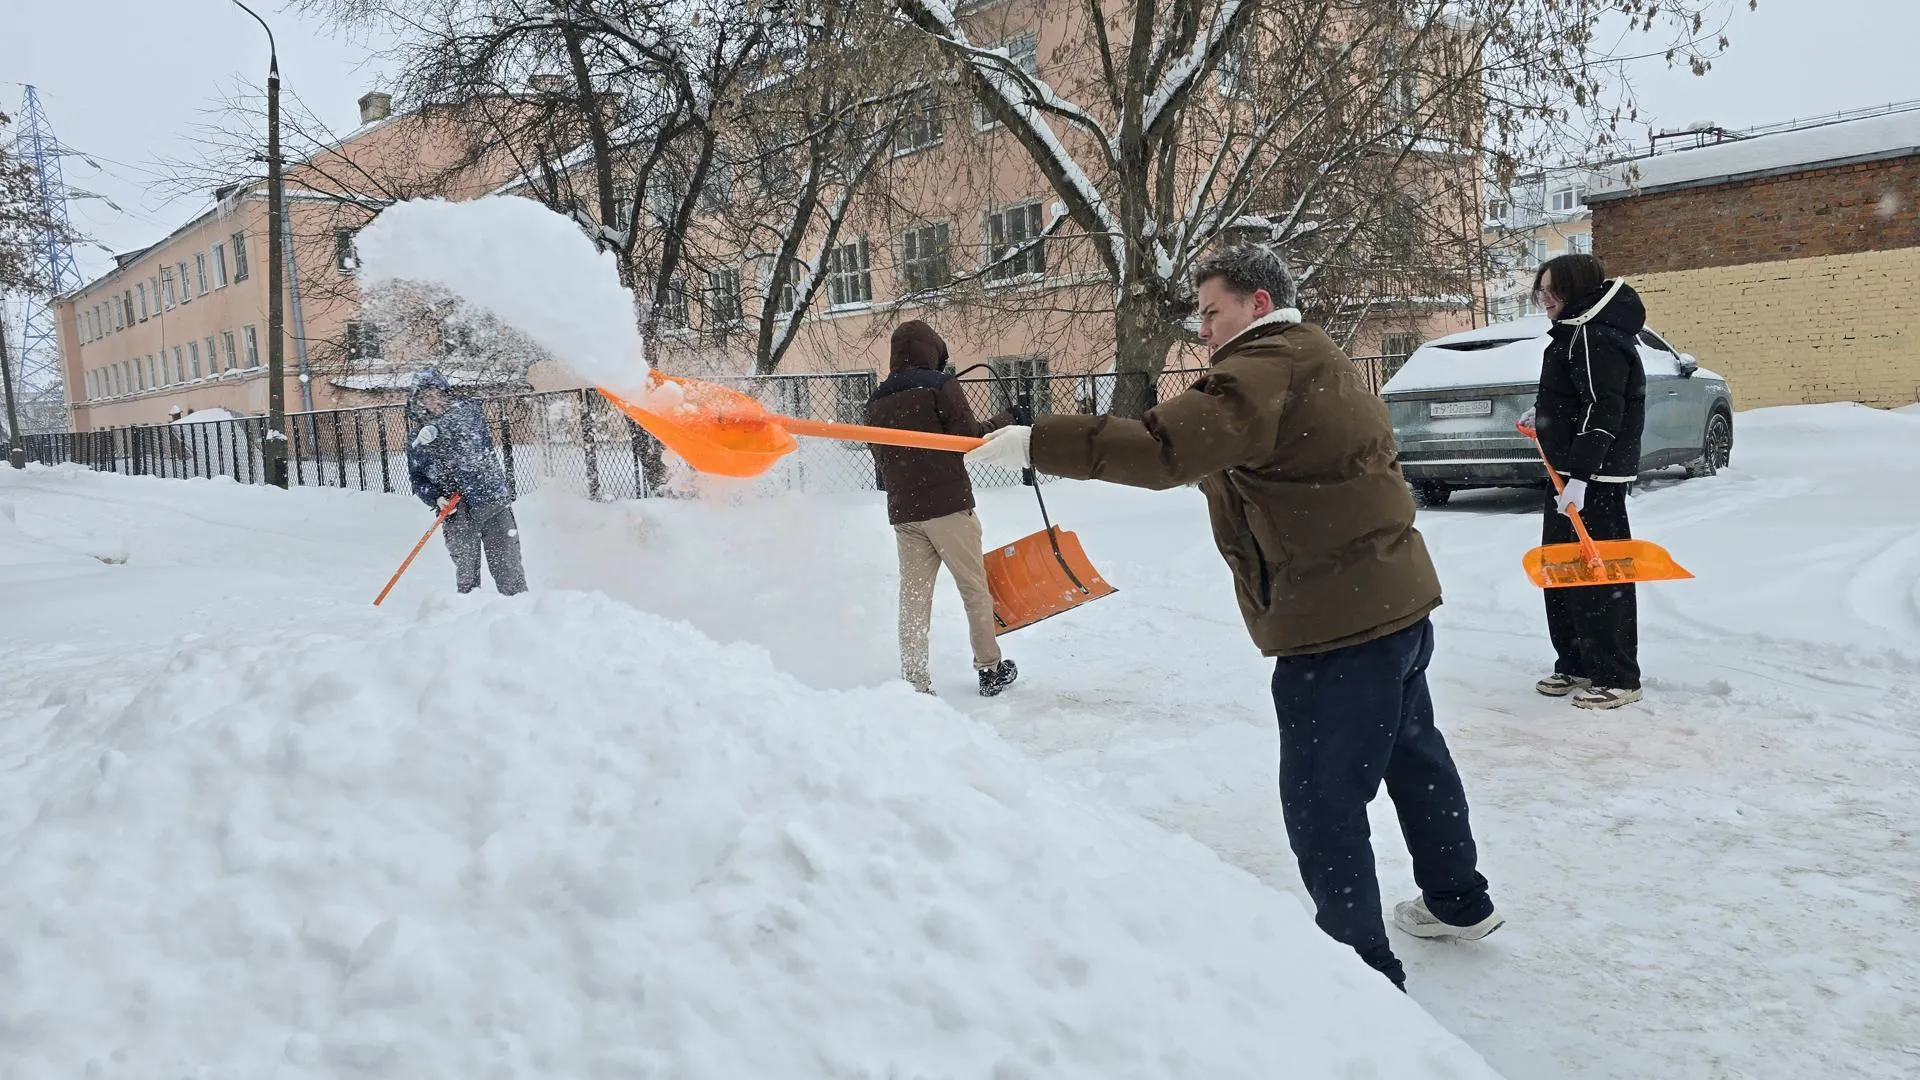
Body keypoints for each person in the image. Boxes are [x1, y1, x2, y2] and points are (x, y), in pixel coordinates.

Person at [963, 244, 1500, 990]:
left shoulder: (1263, 364)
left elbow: (1161, 448)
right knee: (1414, 755)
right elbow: (1254, 467)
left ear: (1255, 301)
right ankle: (1459, 899)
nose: (1204, 331)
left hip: (1337, 625)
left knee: (1323, 800)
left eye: (1211, 312)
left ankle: (1361, 974)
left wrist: (1038, 441)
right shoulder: (1314, 355)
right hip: (1392, 604)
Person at [1519, 254, 1648, 710]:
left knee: (1599, 578)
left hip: (1592, 481)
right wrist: (1546, 419)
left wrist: (1582, 477)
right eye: (1542, 290)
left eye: (1554, 291)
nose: (1545, 299)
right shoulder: (1573, 334)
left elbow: (1603, 410)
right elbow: (1575, 400)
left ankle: (1617, 674)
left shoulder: (1595, 337)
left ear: (1576, 291)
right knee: (1561, 571)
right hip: (1565, 477)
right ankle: (1574, 662)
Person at [866, 320, 1019, 697]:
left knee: (914, 600)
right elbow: (970, 440)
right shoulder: (939, 386)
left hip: (905, 513)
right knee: (973, 588)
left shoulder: (876, 399)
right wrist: (1007, 419)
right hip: (949, 507)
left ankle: (915, 683)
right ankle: (990, 668)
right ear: (930, 351)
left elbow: (880, 455)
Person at [405, 368, 527, 596]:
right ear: (418, 402)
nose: (434, 401)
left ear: (446, 394)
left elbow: (466, 425)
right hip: (455, 512)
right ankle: (468, 619)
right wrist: (436, 498)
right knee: (467, 577)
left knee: (508, 569)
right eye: (426, 397)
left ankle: (519, 612)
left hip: (491, 501)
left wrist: (438, 428)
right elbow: (417, 478)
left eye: (437, 394)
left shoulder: (468, 413)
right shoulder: (416, 438)